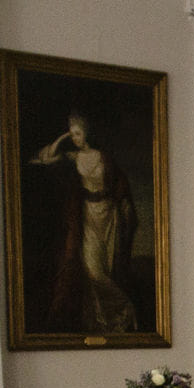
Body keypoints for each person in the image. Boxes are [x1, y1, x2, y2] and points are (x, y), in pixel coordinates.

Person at [27, 111, 139, 336]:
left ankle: (106, 321)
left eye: (77, 133)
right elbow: (46, 157)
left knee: (108, 269)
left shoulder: (103, 157)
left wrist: (126, 211)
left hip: (109, 216)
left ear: (86, 133)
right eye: (72, 134)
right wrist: (62, 137)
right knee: (93, 272)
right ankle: (127, 307)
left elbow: (120, 187)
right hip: (87, 216)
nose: (75, 138)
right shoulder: (73, 156)